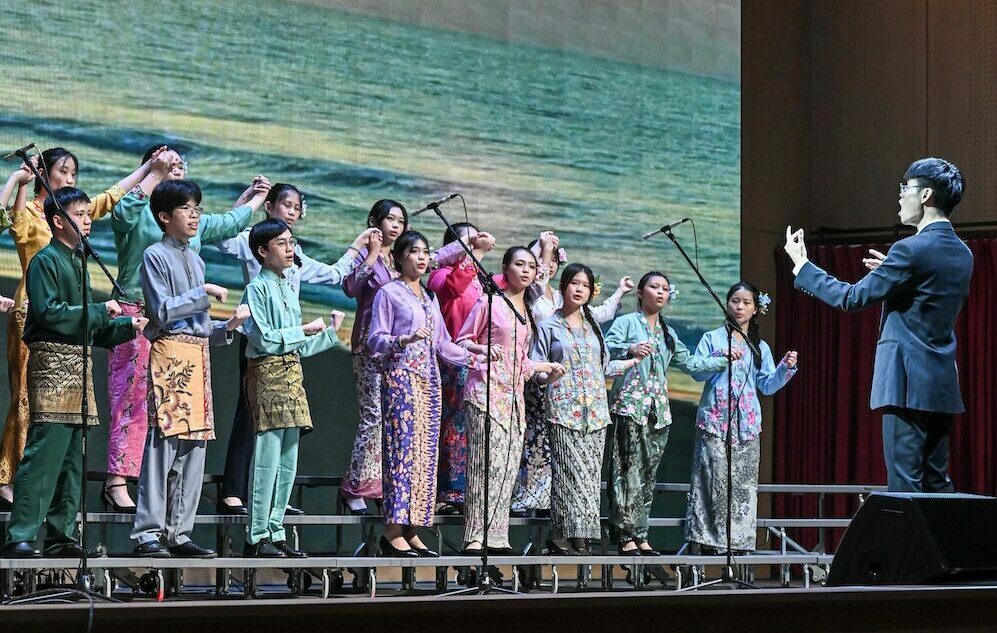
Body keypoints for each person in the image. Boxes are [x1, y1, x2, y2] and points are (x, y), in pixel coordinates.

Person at [784, 157, 973, 492]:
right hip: (941, 384)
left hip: (906, 384)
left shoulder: (911, 249)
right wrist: (894, 272)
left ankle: (908, 534)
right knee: (937, 485)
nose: (900, 196)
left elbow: (851, 298)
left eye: (905, 188)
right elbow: (927, 296)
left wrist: (803, 266)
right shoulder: (963, 253)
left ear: (925, 194)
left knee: (904, 487)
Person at [104, 145, 267, 512]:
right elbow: (120, 212)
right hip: (137, 311)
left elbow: (229, 222)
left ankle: (162, 497)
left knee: (174, 412)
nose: (175, 167)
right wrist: (153, 173)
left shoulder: (191, 226)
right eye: (167, 163)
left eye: (179, 164)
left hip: (183, 328)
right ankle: (117, 479)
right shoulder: (141, 212)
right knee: (131, 398)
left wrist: (255, 199)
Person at [0, 149, 157, 509]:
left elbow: (111, 197)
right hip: (33, 314)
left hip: (72, 321)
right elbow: (7, 222)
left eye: (74, 173)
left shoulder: (75, 217)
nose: (69, 179)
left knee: (67, 418)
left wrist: (148, 169)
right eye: (63, 172)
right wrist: (17, 182)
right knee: (26, 402)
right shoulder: (35, 215)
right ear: (44, 174)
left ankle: (50, 494)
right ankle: (9, 477)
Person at [213, 183, 380, 515]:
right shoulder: (253, 241)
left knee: (286, 421)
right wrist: (247, 199)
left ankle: (276, 496)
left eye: (297, 206)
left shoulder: (295, 252)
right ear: (269, 207)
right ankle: (233, 490)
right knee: (249, 414)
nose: (292, 211)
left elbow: (333, 274)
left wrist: (360, 245)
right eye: (286, 204)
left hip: (290, 342)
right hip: (260, 338)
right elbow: (222, 238)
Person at [131, 180, 250, 558]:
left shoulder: (196, 260)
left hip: (198, 358)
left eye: (197, 208)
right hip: (170, 355)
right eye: (186, 208)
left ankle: (179, 532)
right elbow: (162, 312)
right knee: (163, 445)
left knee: (194, 447)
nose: (195, 215)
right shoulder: (154, 255)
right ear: (165, 216)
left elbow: (199, 325)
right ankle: (147, 533)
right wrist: (203, 293)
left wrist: (226, 327)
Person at [366, 230, 483, 557]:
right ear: (398, 257)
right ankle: (392, 531)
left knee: (424, 456)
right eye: (413, 252)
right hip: (401, 380)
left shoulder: (429, 297)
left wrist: (476, 358)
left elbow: (443, 344)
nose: (420, 257)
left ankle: (412, 527)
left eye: (424, 252)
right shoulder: (389, 293)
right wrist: (403, 340)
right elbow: (375, 340)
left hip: (429, 383)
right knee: (402, 453)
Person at [238, 218, 346, 557]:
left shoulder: (287, 286)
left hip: (292, 376)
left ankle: (276, 528)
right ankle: (256, 535)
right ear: (262, 250)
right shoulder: (257, 288)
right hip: (267, 374)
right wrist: (304, 329)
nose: (290, 248)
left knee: (288, 459)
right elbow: (264, 339)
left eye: (291, 241)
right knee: (267, 457)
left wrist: (329, 333)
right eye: (282, 243)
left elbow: (296, 346)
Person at [605, 271, 729, 555]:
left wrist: (722, 358)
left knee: (648, 475)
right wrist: (630, 348)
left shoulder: (668, 333)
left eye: (664, 288)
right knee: (626, 471)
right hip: (629, 406)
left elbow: (692, 365)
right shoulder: (626, 323)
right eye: (654, 287)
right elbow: (605, 349)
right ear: (640, 292)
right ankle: (624, 534)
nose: (660, 292)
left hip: (658, 411)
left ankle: (641, 533)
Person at [456, 246, 561, 554]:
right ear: (505, 268)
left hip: (514, 400)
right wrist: (482, 350)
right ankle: (475, 536)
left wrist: (546, 369)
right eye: (519, 264)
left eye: (531, 266)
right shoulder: (489, 302)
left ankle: (498, 536)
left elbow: (522, 363)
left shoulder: (527, 313)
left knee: (507, 468)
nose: (526, 271)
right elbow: (462, 341)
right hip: (484, 393)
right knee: (484, 465)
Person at [684, 282, 797, 553]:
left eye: (746, 303)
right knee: (712, 481)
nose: (739, 307)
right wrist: (719, 357)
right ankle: (707, 540)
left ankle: (738, 542)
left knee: (743, 484)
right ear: (727, 304)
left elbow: (767, 385)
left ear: (755, 309)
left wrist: (785, 368)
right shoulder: (712, 338)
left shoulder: (759, 347)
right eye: (735, 301)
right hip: (714, 420)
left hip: (746, 424)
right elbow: (696, 371)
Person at [532, 263, 636, 555]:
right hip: (563, 410)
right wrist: (548, 376)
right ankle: (562, 534)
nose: (579, 289)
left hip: (596, 412)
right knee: (567, 473)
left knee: (589, 478)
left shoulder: (593, 327)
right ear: (563, 286)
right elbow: (536, 368)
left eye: (585, 285)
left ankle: (583, 536)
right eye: (574, 283)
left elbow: (602, 367)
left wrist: (632, 361)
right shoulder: (548, 326)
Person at [427, 222, 496, 515]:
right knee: (453, 424)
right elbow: (454, 289)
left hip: (477, 359)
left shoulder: (479, 278)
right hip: (452, 359)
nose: (473, 243)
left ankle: (467, 490)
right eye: (467, 240)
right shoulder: (440, 275)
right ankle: (447, 491)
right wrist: (474, 252)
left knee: (472, 425)